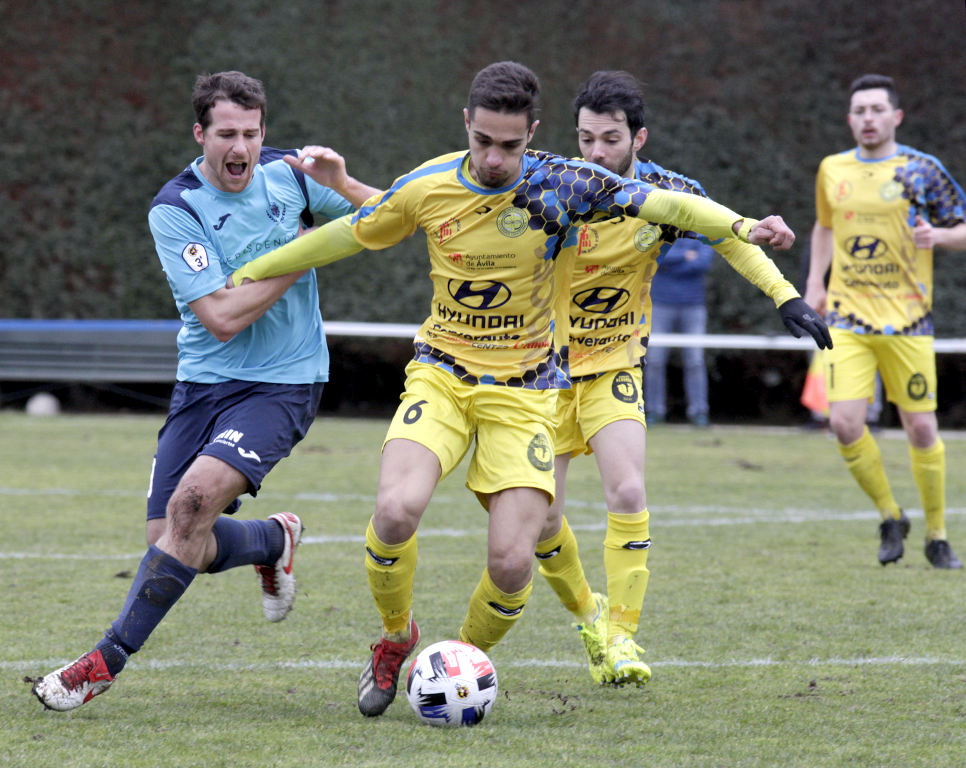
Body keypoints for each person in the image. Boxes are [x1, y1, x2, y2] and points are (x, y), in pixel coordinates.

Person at [230, 61, 809, 717]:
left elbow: (672, 204)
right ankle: (396, 642)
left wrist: (742, 229)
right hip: (444, 375)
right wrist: (248, 271)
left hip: (532, 389)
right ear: (467, 128)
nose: (497, 158)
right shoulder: (431, 182)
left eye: (511, 145)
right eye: (484, 142)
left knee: (514, 564)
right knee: (395, 512)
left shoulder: (565, 185)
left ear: (533, 134)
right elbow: (353, 231)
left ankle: (457, 660)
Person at [31, 71, 380, 711]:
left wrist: (343, 184)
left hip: (284, 380)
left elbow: (392, 215)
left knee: (192, 509)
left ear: (263, 132)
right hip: (204, 381)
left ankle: (102, 662)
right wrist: (307, 252)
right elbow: (221, 318)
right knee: (170, 536)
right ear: (201, 135)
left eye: (251, 132)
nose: (240, 146)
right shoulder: (176, 208)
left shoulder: (292, 176)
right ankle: (273, 540)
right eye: (226, 134)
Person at [528, 70, 830, 688]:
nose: (595, 154)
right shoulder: (551, 185)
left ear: (640, 138)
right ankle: (589, 616)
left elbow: (728, 234)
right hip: (543, 372)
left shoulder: (668, 191)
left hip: (614, 365)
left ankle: (622, 637)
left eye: (610, 139)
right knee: (539, 519)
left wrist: (786, 297)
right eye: (585, 139)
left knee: (628, 494)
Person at [805, 74, 966, 568]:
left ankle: (937, 534)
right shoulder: (833, 169)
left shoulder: (922, 170)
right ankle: (889, 515)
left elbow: (963, 227)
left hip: (909, 321)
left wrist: (938, 238)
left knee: (920, 428)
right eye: (859, 110)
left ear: (895, 117)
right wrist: (815, 284)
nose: (868, 119)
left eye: (877, 109)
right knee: (843, 422)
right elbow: (825, 226)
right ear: (850, 119)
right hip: (849, 319)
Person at [644, 236, 716, 426]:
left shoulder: (703, 232)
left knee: (695, 361)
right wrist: (686, 255)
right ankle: (654, 411)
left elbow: (703, 262)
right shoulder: (661, 230)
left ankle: (698, 412)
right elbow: (654, 256)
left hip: (694, 306)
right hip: (660, 304)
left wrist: (672, 259)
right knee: (654, 361)